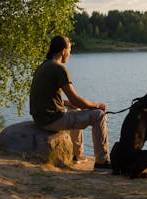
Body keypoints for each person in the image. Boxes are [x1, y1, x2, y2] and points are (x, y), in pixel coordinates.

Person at [30, 35, 111, 170]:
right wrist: (98, 105)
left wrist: (67, 104)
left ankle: (77, 155)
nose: (70, 53)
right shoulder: (59, 69)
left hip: (39, 119)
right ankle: (102, 162)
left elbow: (47, 96)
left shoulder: (43, 66)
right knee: (98, 116)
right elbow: (75, 99)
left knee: (75, 110)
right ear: (63, 51)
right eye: (69, 50)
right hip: (52, 121)